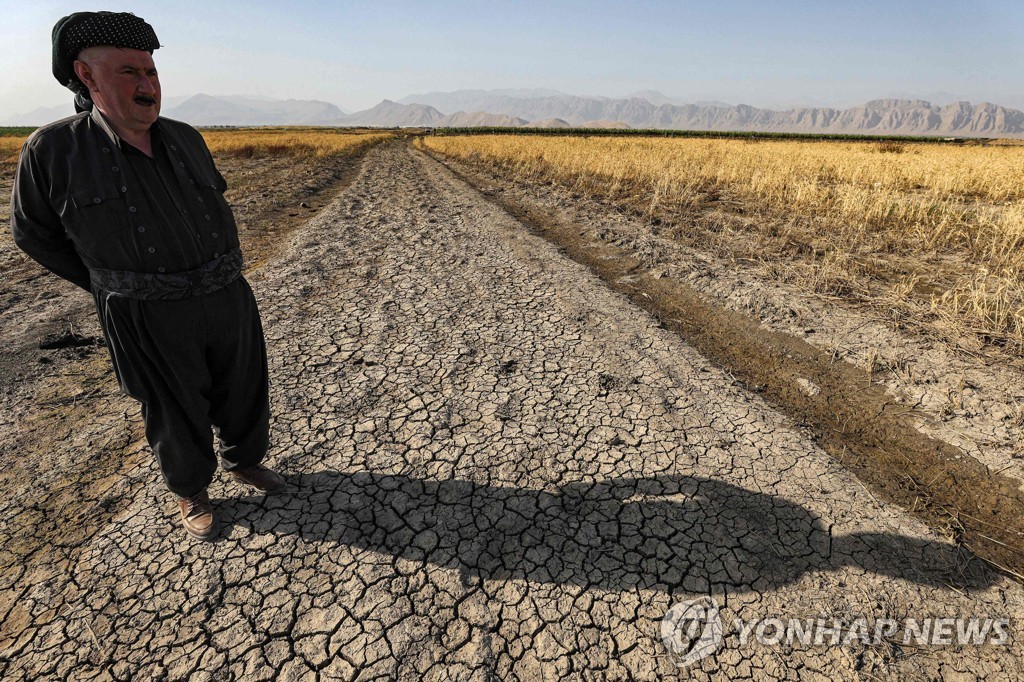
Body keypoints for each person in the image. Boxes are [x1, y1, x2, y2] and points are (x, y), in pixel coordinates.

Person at [10, 11, 288, 540]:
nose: (147, 85)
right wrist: (105, 279)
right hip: (145, 308)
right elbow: (33, 233)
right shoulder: (53, 150)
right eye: (129, 72)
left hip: (226, 291)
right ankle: (191, 492)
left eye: (151, 72)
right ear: (86, 76)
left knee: (244, 385)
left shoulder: (185, 137)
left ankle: (245, 460)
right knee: (171, 404)